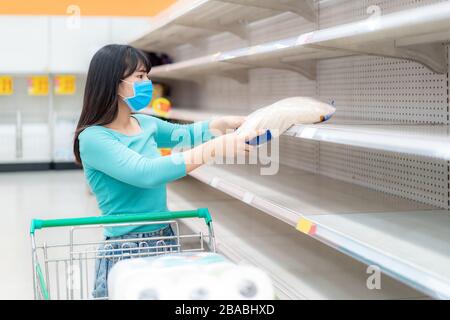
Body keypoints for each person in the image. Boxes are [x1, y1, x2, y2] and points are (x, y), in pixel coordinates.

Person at [73, 44, 261, 298]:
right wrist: (215, 148)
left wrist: (221, 124)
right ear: (114, 84)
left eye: (147, 76)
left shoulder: (142, 123)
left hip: (165, 238)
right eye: (139, 76)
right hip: (126, 249)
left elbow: (183, 134)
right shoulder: (94, 138)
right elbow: (146, 173)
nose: (147, 83)